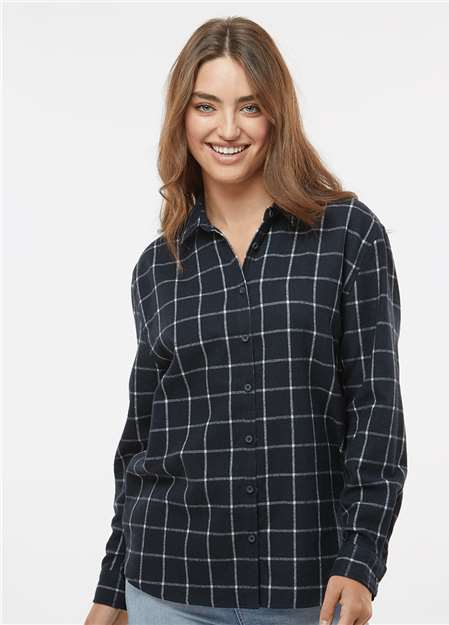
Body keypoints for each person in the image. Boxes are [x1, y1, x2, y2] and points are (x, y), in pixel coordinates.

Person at [84, 15, 407, 625]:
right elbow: (142, 441)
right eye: (206, 105)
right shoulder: (157, 267)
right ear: (182, 117)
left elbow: (377, 410)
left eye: (249, 106)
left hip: (307, 589)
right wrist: (110, 591)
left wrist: (361, 558)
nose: (227, 129)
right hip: (166, 584)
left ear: (276, 115)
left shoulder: (347, 235)